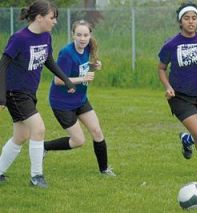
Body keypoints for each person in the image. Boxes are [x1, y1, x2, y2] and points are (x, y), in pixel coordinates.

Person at [0, 0, 75, 188]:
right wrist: (1, 97)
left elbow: (48, 60)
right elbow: (2, 67)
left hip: (29, 93)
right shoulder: (19, 38)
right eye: (52, 18)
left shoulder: (46, 36)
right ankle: (36, 177)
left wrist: (65, 79)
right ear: (39, 18)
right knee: (39, 129)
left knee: (21, 136)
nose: (55, 21)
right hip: (15, 93)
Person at [43, 20, 116, 177]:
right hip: (62, 103)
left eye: (86, 35)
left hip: (80, 99)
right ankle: (44, 147)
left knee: (97, 131)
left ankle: (104, 170)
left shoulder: (89, 47)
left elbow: (84, 66)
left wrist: (95, 65)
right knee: (78, 141)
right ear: (73, 35)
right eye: (79, 35)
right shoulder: (66, 53)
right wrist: (83, 77)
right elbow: (58, 80)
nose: (83, 38)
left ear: (90, 35)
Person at [158, 2, 197, 178]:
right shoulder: (171, 44)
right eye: (186, 18)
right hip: (180, 97)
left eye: (194, 18)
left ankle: (186, 139)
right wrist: (168, 87)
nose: (191, 22)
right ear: (180, 22)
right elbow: (161, 68)